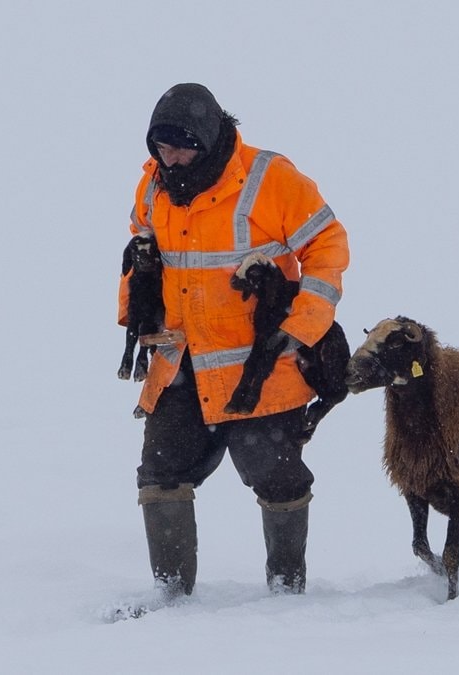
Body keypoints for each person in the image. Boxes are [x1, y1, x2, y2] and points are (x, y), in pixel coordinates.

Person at [118, 83, 349, 598]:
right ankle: (170, 598)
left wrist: (302, 324)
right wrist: (137, 310)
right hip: (181, 362)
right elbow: (140, 244)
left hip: (261, 368)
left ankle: (288, 595)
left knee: (278, 479)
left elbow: (328, 243)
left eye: (180, 147)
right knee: (160, 474)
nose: (169, 159)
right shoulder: (154, 185)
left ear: (208, 137)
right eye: (160, 147)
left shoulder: (270, 178)